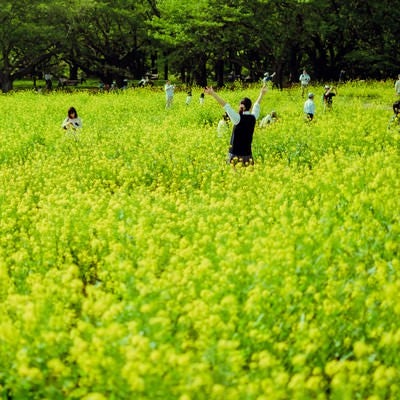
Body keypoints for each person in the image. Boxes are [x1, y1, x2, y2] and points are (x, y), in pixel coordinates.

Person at [204, 84, 268, 165]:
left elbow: (226, 106)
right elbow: (257, 105)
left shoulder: (237, 118)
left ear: (241, 106)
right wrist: (261, 94)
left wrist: (213, 94)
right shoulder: (253, 118)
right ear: (250, 107)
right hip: (247, 155)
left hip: (235, 155)